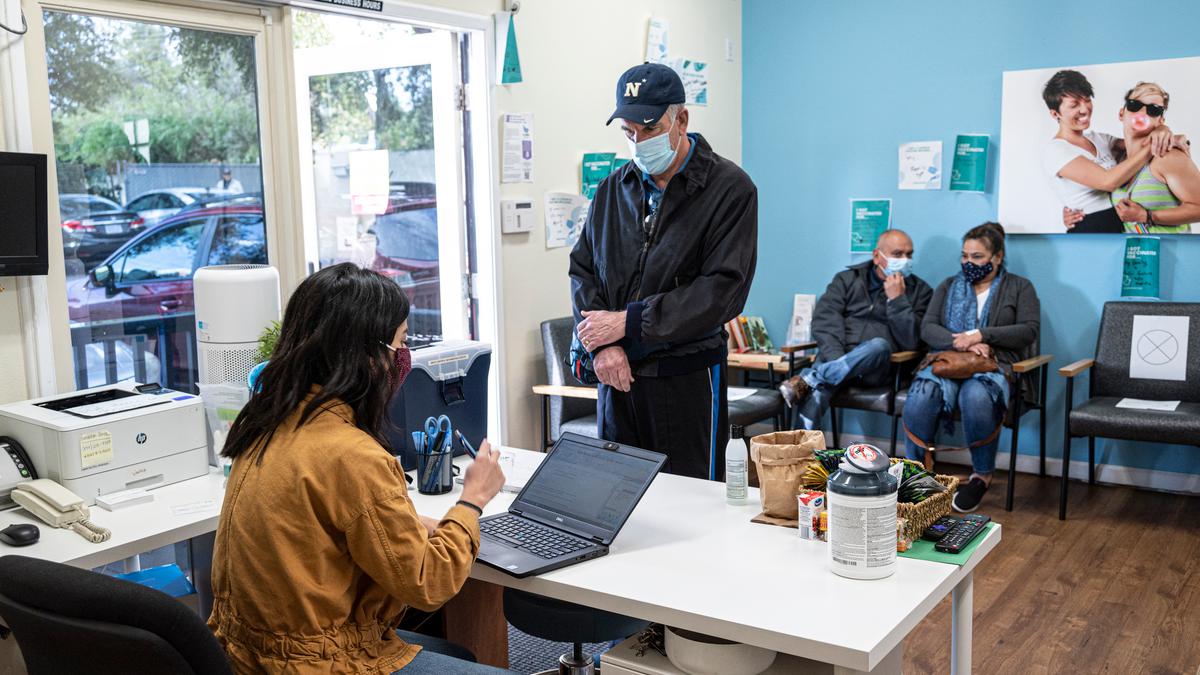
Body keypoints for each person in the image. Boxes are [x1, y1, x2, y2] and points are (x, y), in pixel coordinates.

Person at [208, 263, 510, 674]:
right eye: (401, 342)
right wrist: (472, 500)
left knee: (456, 655)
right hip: (319, 664)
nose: (404, 357)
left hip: (247, 656)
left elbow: (320, 527)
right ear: (368, 355)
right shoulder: (352, 455)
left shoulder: (265, 423)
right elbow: (430, 583)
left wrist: (412, 523)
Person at [570, 62, 757, 480]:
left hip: (685, 377)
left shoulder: (730, 189)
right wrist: (600, 347)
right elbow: (583, 271)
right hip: (616, 375)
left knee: (690, 500)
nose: (639, 142)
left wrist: (630, 321)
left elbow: (722, 291)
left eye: (650, 129)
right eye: (628, 132)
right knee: (615, 495)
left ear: (681, 120)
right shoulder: (612, 189)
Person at [902, 223, 1039, 513]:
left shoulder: (1020, 287)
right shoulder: (948, 285)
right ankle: (917, 473)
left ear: (997, 257)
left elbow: (1028, 331)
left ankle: (981, 476)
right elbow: (928, 327)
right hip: (948, 359)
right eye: (964, 256)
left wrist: (981, 335)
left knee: (976, 396)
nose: (968, 263)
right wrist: (961, 342)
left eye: (977, 257)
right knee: (921, 393)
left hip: (995, 362)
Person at [778, 229, 933, 430]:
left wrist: (897, 301)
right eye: (897, 254)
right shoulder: (847, 280)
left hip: (879, 368)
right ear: (877, 256)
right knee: (818, 389)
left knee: (879, 345)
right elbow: (825, 321)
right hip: (837, 357)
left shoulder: (921, 291)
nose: (905, 260)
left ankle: (810, 378)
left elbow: (913, 341)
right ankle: (800, 445)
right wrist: (837, 361)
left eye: (909, 254)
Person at [1041, 69, 1181, 233]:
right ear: (1055, 114)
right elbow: (1108, 181)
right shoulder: (1056, 150)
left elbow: (1137, 144)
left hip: (1120, 223)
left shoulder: (1100, 139)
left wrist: (1163, 130)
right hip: (1090, 228)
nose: (1084, 109)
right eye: (1074, 105)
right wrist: (1153, 145)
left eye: (1087, 100)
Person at [1109, 82, 1200, 234]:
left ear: (1160, 120)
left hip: (1173, 249)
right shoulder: (1117, 158)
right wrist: (1072, 213)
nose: (1142, 113)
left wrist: (1147, 216)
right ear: (1121, 113)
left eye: (1153, 110)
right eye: (1134, 105)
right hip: (1134, 249)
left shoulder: (1167, 157)